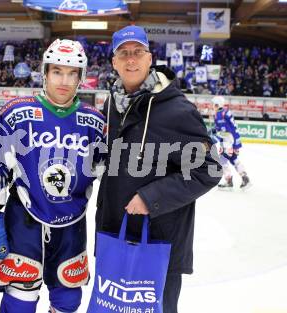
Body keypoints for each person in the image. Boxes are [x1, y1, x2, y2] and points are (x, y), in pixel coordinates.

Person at [95, 25, 221, 313]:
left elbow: (209, 169)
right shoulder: (113, 104)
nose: (131, 60)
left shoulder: (177, 110)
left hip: (157, 242)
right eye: (123, 54)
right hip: (116, 234)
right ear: (114, 62)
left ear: (150, 58)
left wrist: (151, 198)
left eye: (137, 52)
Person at [0, 39, 106, 313]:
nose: (64, 80)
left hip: (72, 223)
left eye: (72, 73)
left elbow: (110, 175)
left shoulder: (94, 121)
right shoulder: (17, 113)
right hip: (24, 220)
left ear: (81, 78)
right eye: (58, 71)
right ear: (45, 73)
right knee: (20, 299)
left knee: (69, 298)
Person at [211, 95, 250, 189]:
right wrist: (215, 131)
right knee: (234, 160)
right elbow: (220, 129)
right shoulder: (218, 114)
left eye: (213, 104)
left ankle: (229, 181)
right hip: (226, 142)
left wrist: (236, 145)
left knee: (222, 161)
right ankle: (245, 178)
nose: (212, 106)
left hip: (229, 142)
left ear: (217, 104)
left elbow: (232, 130)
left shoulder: (224, 113)